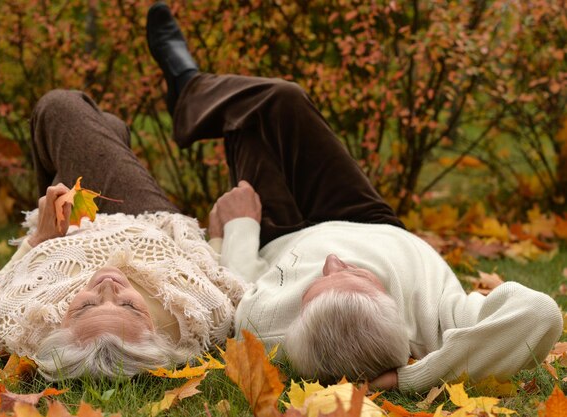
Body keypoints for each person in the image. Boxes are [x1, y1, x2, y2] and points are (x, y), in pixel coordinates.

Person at [145, 2, 564, 393]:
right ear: (395, 311)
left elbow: (240, 285)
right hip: (370, 221)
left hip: (282, 233)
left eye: (316, 285)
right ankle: (189, 90)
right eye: (357, 276)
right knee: (286, 98)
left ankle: (187, 86)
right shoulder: (439, 323)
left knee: (256, 117)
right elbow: (540, 314)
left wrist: (239, 226)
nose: (331, 262)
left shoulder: (270, 326)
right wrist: (413, 377)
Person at [0, 50, 246, 381]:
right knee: (75, 116)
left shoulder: (22, 327)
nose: (108, 287)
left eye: (85, 307)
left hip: (66, 232)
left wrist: (37, 241)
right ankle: (138, 121)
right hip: (145, 221)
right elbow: (224, 282)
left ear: (58, 332)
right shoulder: (195, 320)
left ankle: (115, 132)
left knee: (79, 117)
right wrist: (219, 235)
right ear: (158, 335)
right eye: (130, 307)